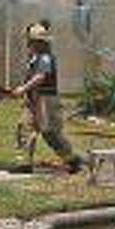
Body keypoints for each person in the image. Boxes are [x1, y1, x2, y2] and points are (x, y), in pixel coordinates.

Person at [9, 21, 82, 174]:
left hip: (46, 100)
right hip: (34, 100)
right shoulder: (35, 58)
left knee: (50, 132)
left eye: (34, 41)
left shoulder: (45, 58)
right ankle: (24, 163)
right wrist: (26, 95)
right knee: (25, 127)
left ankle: (71, 159)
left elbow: (41, 77)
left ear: (40, 43)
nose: (30, 43)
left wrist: (23, 89)